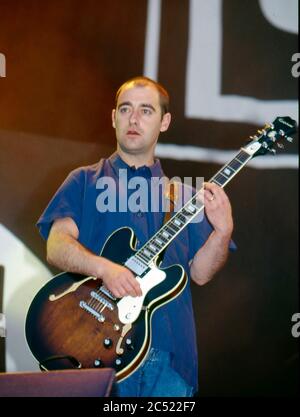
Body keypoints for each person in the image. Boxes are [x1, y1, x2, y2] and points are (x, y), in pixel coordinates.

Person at [37, 76, 235, 397]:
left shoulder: (184, 196)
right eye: (125, 109)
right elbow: (56, 245)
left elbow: (200, 273)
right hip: (95, 354)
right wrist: (104, 269)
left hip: (171, 361)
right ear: (113, 117)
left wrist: (223, 232)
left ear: (164, 121)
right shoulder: (84, 180)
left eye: (146, 111)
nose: (133, 119)